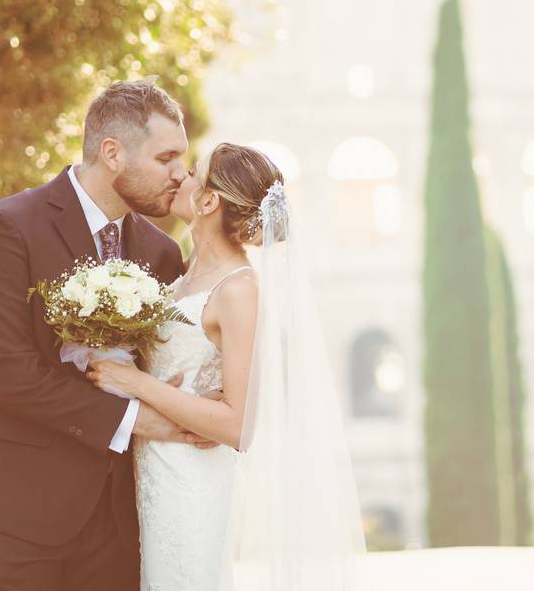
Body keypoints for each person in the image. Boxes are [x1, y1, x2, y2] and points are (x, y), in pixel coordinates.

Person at [0, 79, 211, 589]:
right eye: (165, 158)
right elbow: (9, 375)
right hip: (3, 510)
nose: (180, 174)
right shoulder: (9, 228)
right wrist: (143, 421)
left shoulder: (162, 253)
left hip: (116, 525)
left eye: (181, 159)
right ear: (113, 152)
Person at [87, 143, 366, 589]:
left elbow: (238, 426)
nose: (180, 177)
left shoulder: (239, 290)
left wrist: (138, 383)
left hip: (191, 481)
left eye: (193, 172)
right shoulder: (182, 274)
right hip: (149, 471)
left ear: (209, 200)